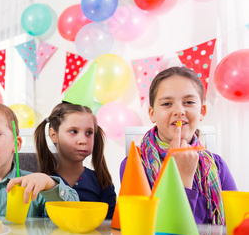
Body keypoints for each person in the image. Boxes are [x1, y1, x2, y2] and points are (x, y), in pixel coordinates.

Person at [120, 66, 237, 224]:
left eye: (188, 102)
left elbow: (235, 223)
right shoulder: (134, 165)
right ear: (152, 114)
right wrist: (182, 179)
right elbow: (152, 230)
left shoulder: (217, 165)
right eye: (167, 104)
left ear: (202, 111)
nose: (179, 111)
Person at [34, 102, 116, 219]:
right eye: (73, 131)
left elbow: (109, 229)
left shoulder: (102, 183)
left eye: (89, 133)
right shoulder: (40, 183)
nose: (83, 140)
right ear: (53, 135)